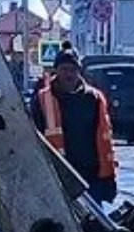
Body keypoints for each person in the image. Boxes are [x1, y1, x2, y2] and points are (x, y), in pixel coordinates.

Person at [31, 48, 118, 203]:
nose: (68, 74)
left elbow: (105, 138)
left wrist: (109, 177)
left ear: (79, 71)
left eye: (73, 69)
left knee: (94, 224)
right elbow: (34, 138)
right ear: (56, 71)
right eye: (64, 69)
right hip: (58, 177)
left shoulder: (94, 98)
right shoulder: (43, 99)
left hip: (91, 175)